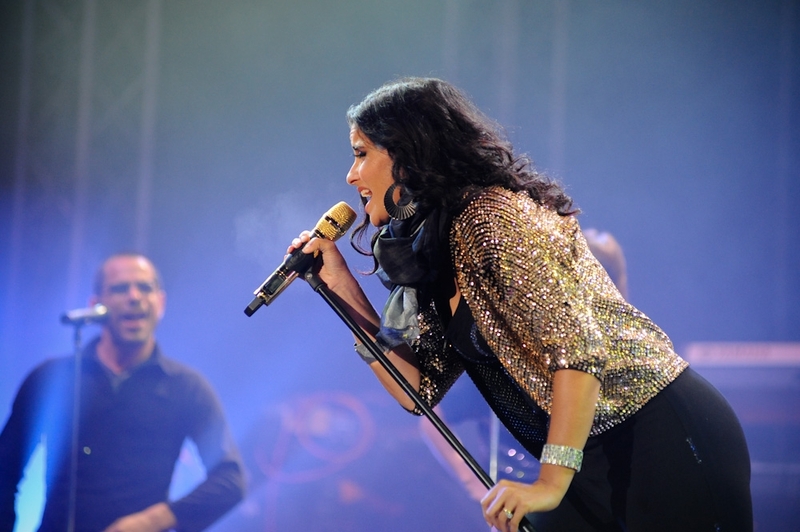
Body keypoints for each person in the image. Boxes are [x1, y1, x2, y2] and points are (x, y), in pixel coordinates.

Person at [288, 77, 753, 531]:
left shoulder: (490, 218)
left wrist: (548, 484)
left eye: (361, 154)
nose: (351, 175)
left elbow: (578, 350)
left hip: (657, 433)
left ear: (408, 156)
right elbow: (417, 387)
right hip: (588, 451)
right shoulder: (437, 246)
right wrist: (340, 288)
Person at [0, 253, 245, 532]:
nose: (134, 297)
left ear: (160, 302)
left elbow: (230, 480)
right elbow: (4, 474)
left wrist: (150, 521)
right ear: (96, 305)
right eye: (119, 288)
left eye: (145, 288)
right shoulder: (52, 380)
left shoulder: (185, 387)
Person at [419, 229, 630, 505]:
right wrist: (474, 483)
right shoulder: (514, 348)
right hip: (525, 497)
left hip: (598, 490)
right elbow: (433, 415)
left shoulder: (613, 348)